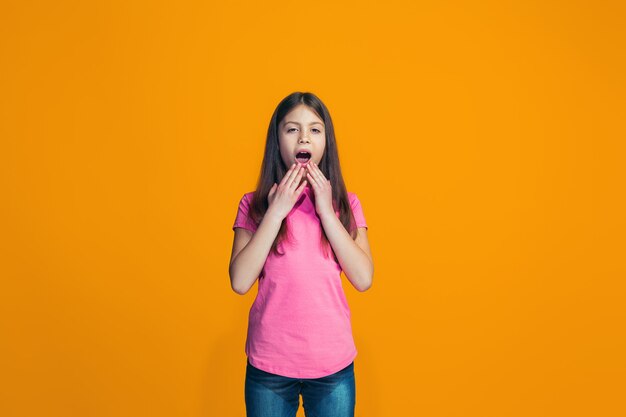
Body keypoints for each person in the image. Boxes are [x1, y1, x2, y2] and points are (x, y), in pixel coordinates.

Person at [229, 91, 374, 417]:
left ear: (326, 141)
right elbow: (239, 281)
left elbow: (363, 278)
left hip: (332, 368)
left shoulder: (346, 204)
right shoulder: (254, 204)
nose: (303, 137)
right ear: (277, 140)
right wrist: (276, 212)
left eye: (314, 129)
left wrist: (325, 210)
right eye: (292, 129)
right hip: (269, 367)